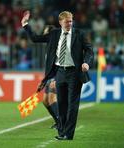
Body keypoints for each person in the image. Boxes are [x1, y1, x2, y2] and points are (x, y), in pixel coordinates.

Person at [21, 10, 94, 140]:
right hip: (60, 72)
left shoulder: (79, 34)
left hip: (75, 73)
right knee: (61, 104)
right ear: (60, 22)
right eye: (66, 22)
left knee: (72, 105)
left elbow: (89, 50)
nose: (69, 24)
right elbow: (35, 38)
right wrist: (25, 25)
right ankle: (62, 132)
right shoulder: (54, 34)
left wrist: (87, 63)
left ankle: (68, 134)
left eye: (71, 21)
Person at [38, 25, 58, 129]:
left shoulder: (56, 46)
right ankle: (57, 121)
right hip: (50, 77)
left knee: (51, 98)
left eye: (45, 33)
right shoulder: (49, 46)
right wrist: (44, 80)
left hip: (57, 76)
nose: (44, 35)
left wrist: (57, 78)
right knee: (45, 101)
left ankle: (62, 123)